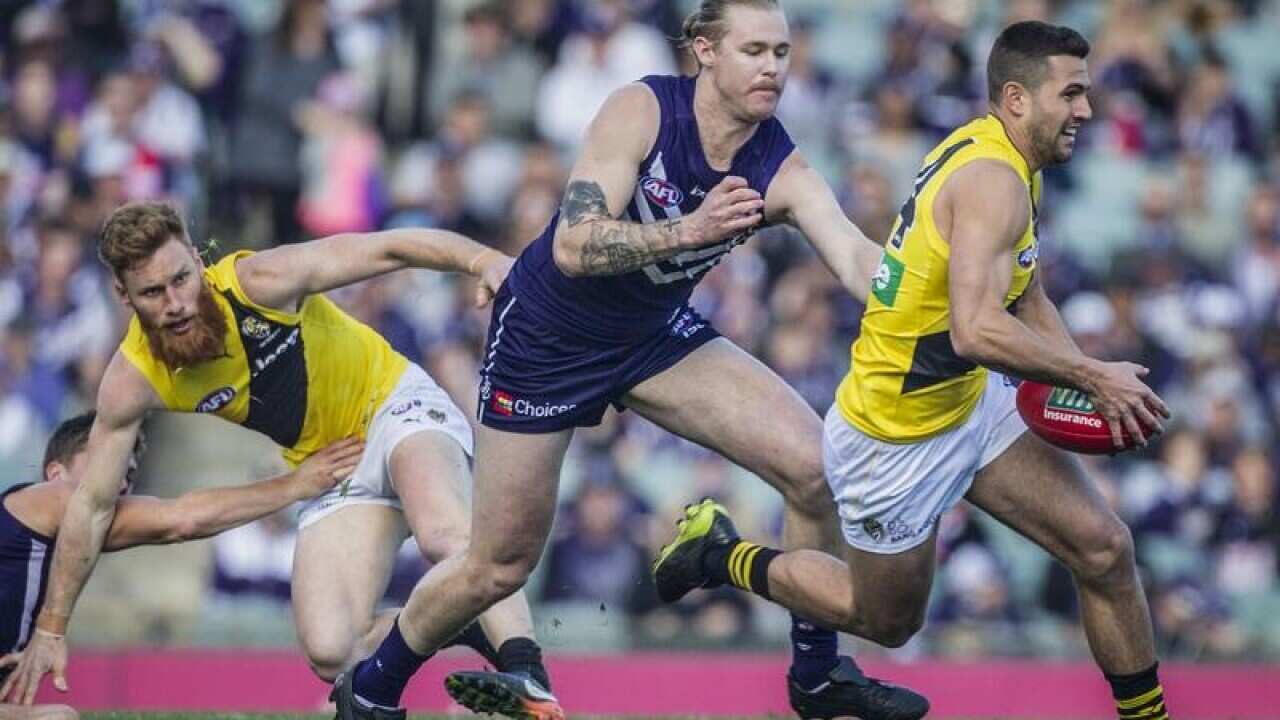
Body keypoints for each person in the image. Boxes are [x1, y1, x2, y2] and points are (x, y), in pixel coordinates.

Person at [338, 2, 928, 719]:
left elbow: (854, 256)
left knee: (813, 468)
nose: (773, 66)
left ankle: (815, 676)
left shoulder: (780, 162)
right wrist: (692, 229)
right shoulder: (641, 109)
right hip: (545, 340)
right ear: (704, 51)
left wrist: (934, 302)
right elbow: (572, 246)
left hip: (651, 336)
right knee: (498, 565)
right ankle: (372, 690)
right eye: (753, 50)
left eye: (782, 51)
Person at [657, 20, 1176, 720]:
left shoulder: (1009, 156)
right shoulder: (994, 180)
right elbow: (977, 328)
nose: (1086, 109)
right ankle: (720, 556)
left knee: (1105, 548)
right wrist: (1094, 379)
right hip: (894, 434)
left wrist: (1078, 372)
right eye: (1073, 93)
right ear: (1018, 98)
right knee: (884, 621)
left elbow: (1025, 291)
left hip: (965, 404)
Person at [0, 202, 564, 720]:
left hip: (396, 406)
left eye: (181, 279)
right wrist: (51, 626)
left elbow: (387, 247)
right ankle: (459, 618)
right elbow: (92, 505)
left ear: (198, 262)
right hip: (333, 462)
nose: (175, 304)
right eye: (152, 293)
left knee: (447, 537)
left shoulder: (259, 283)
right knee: (331, 650)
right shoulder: (132, 380)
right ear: (124, 297)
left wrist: (483, 259)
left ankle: (527, 675)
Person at [0, 412, 364, 718]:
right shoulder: (52, 501)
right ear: (55, 474)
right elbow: (181, 519)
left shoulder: (47, 536)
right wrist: (295, 485)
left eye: (127, 475)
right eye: (106, 469)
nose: (120, 485)